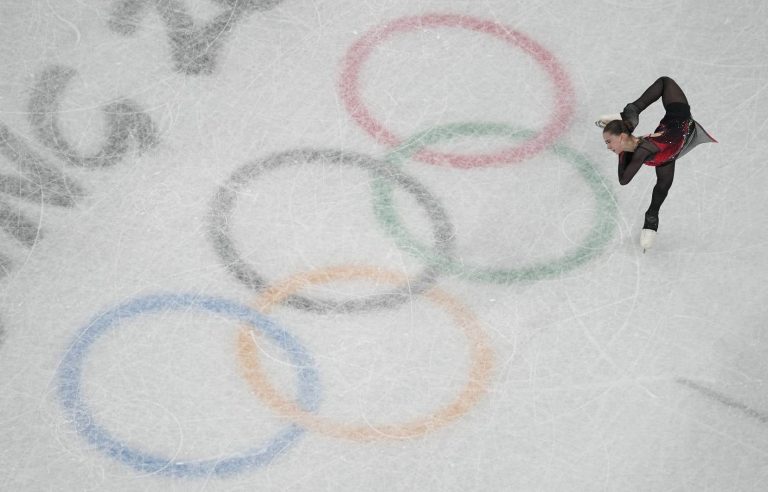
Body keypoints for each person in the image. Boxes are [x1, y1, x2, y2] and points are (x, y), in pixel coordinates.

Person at [595, 76, 717, 251]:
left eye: (609, 142)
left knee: (662, 186)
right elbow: (625, 170)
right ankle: (630, 117)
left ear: (622, 137)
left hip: (680, 128)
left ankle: (630, 116)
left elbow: (624, 179)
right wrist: (622, 148)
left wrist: (621, 152)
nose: (607, 147)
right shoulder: (638, 146)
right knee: (662, 185)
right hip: (672, 132)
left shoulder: (642, 151)